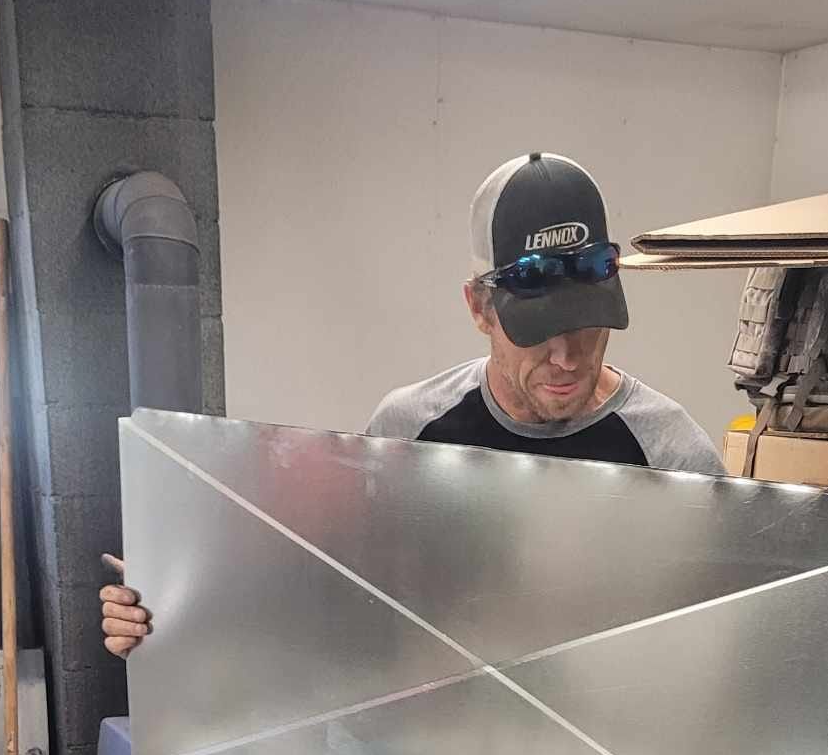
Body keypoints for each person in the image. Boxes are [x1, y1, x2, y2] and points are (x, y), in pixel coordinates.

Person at [100, 152, 723, 656]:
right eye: (538, 331)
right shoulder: (409, 431)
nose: (565, 357)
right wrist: (168, 621)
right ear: (480, 308)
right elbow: (335, 594)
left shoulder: (673, 457)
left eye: (586, 324)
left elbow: (731, 648)